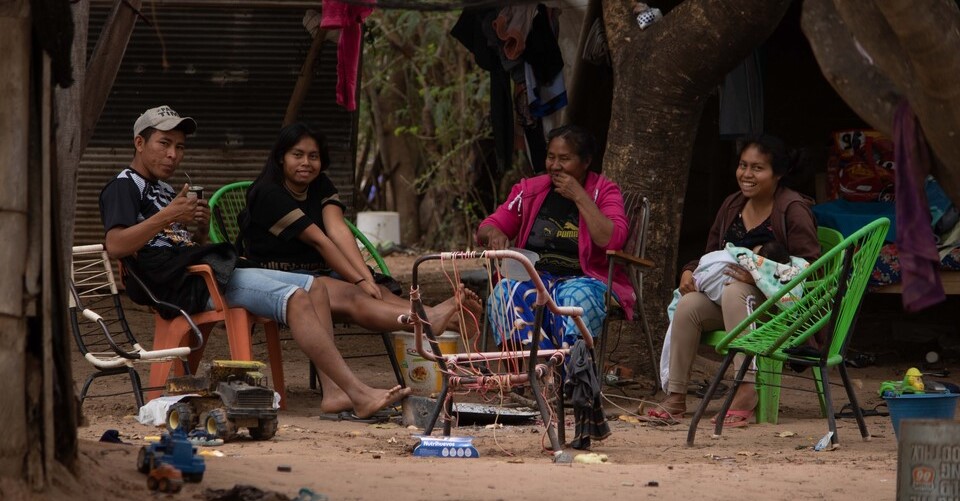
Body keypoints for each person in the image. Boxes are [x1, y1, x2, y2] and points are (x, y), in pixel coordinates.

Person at [98, 105, 410, 419]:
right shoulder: (124, 185)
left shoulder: (165, 189)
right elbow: (115, 245)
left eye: (179, 147)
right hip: (177, 286)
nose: (173, 155)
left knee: (316, 288)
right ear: (140, 143)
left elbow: (184, 245)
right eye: (163, 144)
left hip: (202, 272)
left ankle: (334, 393)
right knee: (297, 298)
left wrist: (200, 229)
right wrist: (169, 215)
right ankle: (360, 394)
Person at [240, 123, 481, 335]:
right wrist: (358, 281)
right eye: (297, 155)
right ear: (281, 157)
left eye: (313, 156)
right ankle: (429, 320)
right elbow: (320, 241)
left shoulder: (319, 184)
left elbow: (338, 231)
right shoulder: (268, 193)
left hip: (318, 272)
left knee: (380, 292)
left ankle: (453, 321)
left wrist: (366, 278)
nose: (306, 163)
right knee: (354, 295)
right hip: (275, 277)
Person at [649, 134, 819, 426]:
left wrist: (759, 275)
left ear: (778, 173)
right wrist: (689, 271)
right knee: (689, 304)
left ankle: (746, 388)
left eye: (757, 168)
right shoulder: (732, 205)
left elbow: (811, 268)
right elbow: (711, 253)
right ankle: (676, 394)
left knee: (735, 291)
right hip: (735, 302)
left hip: (777, 306)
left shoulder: (792, 209)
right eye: (743, 165)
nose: (747, 175)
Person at [476, 124, 631, 350]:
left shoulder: (604, 191)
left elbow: (612, 239)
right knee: (504, 292)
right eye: (551, 157)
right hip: (535, 277)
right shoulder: (530, 189)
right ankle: (537, 366)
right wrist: (494, 233)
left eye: (565, 159)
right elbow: (489, 226)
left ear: (586, 161)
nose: (555, 166)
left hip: (585, 279)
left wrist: (579, 196)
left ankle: (569, 369)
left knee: (577, 297)